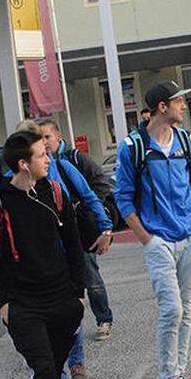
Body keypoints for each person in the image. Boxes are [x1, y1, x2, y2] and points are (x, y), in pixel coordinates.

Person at [115, 80, 191, 379]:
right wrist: (146, 237)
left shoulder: (188, 141)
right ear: (161, 107)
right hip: (158, 242)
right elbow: (123, 197)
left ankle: (180, 377)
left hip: (190, 238)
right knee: (172, 310)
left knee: (186, 308)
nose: (184, 106)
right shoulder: (132, 147)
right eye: (178, 102)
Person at [0, 130, 86, 379]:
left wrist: (79, 294)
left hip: (63, 300)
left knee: (51, 368)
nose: (49, 159)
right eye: (42, 155)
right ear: (24, 163)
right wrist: (3, 304)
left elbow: (75, 247)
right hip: (23, 305)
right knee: (45, 370)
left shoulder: (55, 193)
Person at [38, 119, 118, 341]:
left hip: (78, 228)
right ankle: (70, 328)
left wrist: (92, 215)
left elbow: (99, 184)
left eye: (48, 137)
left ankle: (104, 319)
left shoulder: (72, 159)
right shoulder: (39, 166)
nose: (44, 142)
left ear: (58, 137)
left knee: (90, 276)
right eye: (40, 138)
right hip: (56, 233)